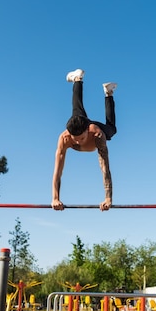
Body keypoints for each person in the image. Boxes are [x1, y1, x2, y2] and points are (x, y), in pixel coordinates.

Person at [52, 69, 117, 211]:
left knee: (112, 130)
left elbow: (104, 167)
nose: (78, 142)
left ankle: (108, 93)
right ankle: (77, 79)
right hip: (79, 122)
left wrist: (108, 198)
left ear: (87, 130)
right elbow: (58, 171)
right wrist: (55, 198)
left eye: (81, 138)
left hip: (95, 130)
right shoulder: (65, 138)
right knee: (77, 110)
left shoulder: (97, 135)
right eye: (75, 139)